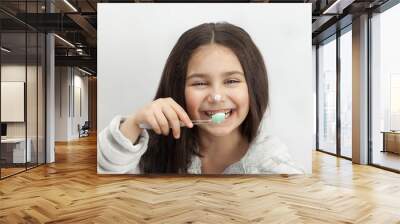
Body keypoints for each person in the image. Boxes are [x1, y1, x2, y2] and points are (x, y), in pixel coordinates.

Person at [98, 22, 304, 174]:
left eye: (231, 81)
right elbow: (104, 177)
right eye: (199, 83)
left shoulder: (271, 161)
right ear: (178, 89)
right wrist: (134, 123)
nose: (216, 97)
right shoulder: (153, 151)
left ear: (253, 87)